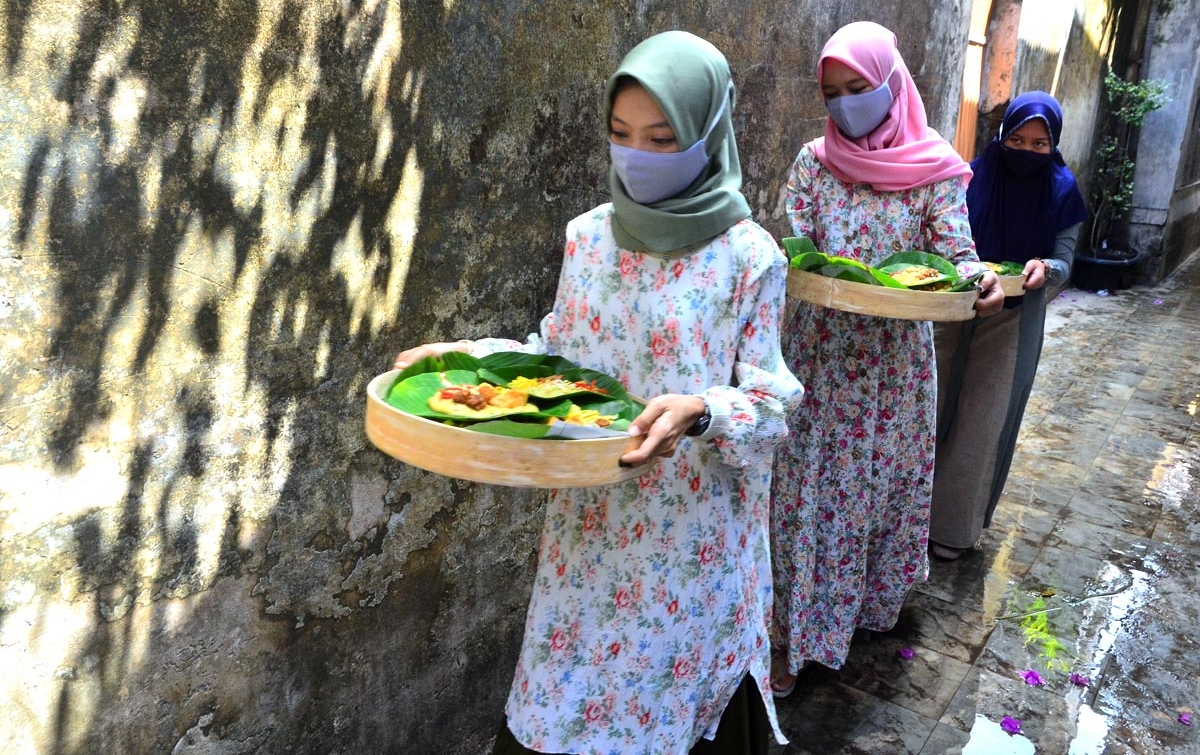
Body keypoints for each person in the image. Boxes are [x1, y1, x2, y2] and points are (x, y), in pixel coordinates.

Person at [393, 31, 803, 755]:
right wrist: (465, 360)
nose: (636, 153)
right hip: (591, 531)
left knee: (670, 716)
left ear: (708, 135)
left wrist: (701, 411)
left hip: (693, 546)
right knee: (563, 709)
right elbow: (556, 357)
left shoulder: (750, 257)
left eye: (661, 136)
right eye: (620, 134)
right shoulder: (587, 239)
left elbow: (772, 404)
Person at [768, 20, 1005, 697]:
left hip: (895, 368)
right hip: (822, 360)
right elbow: (800, 248)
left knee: (877, 490)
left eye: (859, 87)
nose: (844, 103)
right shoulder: (814, 163)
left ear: (891, 83)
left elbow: (957, 256)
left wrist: (977, 278)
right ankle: (791, 637)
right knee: (809, 496)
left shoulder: (932, 168)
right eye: (831, 91)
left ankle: (861, 613)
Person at [928, 92, 1089, 560]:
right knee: (930, 409)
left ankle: (954, 530)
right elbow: (942, 235)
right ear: (1001, 135)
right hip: (956, 305)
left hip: (1015, 317)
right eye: (1017, 139)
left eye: (1040, 144)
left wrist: (1046, 271)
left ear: (1053, 144)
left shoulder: (1062, 190)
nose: (1027, 151)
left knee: (984, 420)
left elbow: (1063, 259)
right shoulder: (971, 178)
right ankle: (906, 522)